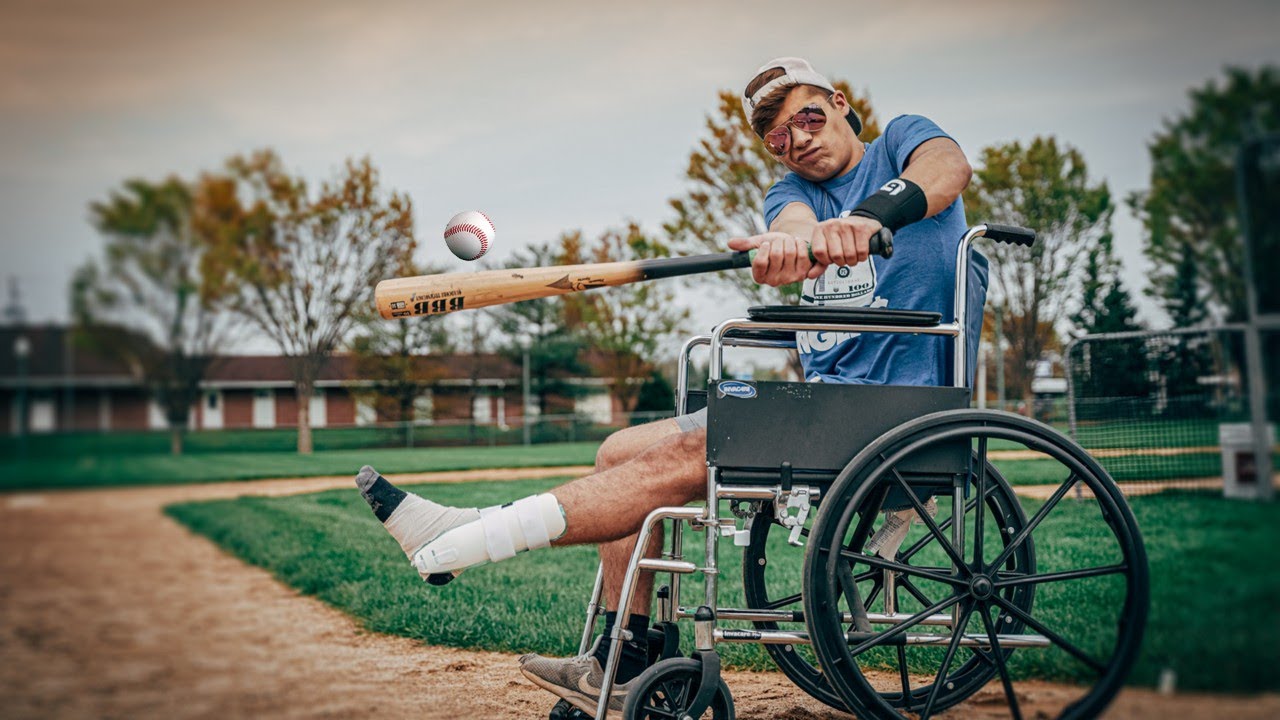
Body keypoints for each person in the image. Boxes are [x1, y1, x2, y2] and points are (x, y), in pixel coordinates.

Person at [353, 57, 985, 715]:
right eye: (777, 138)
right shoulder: (787, 193)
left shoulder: (900, 143)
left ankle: (468, 536)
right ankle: (627, 654)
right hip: (823, 408)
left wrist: (875, 215)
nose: (797, 141)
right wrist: (791, 244)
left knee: (694, 452)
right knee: (619, 450)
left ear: (839, 101)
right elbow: (792, 223)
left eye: (806, 117)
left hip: (899, 410)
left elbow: (947, 167)